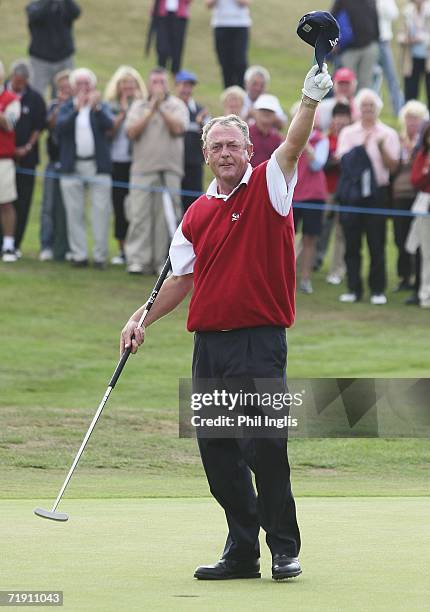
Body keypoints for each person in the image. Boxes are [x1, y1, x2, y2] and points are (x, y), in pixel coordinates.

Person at [120, 64, 333, 581]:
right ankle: (243, 550)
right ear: (206, 155)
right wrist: (140, 316)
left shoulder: (270, 186)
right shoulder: (194, 214)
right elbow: (178, 280)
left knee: (264, 446)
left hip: (260, 342)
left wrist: (308, 98)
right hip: (210, 348)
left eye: (233, 146)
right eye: (216, 147)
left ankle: (284, 546)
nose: (225, 154)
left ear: (247, 152)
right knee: (217, 455)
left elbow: (293, 146)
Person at [336, 88, 400, 304]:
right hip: (353, 194)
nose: (368, 110)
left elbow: (393, 167)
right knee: (352, 243)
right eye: (364, 106)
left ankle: (377, 290)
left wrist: (380, 148)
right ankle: (353, 289)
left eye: (372, 106)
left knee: (376, 242)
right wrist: (360, 149)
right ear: (358, 109)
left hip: (377, 194)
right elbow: (342, 162)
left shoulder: (388, 133)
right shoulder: (348, 133)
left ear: (377, 109)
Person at [124, 67, 188, 275]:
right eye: (154, 82)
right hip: (142, 170)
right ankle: (138, 260)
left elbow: (179, 129)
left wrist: (161, 109)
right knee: (140, 216)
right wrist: (151, 110)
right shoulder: (139, 106)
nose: (158, 86)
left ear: (167, 84)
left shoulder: (177, 105)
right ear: (149, 84)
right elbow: (131, 132)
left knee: (166, 219)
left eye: (161, 82)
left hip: (169, 170)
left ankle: (163, 262)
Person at [57, 68, 114, 268]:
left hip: (97, 166)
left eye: (86, 84)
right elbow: (60, 128)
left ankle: (100, 256)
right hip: (72, 167)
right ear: (73, 87)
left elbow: (110, 125)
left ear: (93, 86)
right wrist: (76, 109)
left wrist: (95, 107)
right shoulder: (66, 108)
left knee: (100, 211)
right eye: (79, 84)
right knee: (74, 212)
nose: (83, 88)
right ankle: (78, 254)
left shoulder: (100, 107)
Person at [104, 66, 147, 265]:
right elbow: (108, 133)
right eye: (125, 84)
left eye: (132, 84)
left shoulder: (142, 106)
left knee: (136, 207)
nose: (128, 87)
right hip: (116, 162)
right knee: (119, 205)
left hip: (136, 162)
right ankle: (122, 249)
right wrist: (121, 115)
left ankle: (136, 248)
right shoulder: (110, 106)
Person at [8, 60, 46, 256]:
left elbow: (39, 127)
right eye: (17, 81)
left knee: (23, 202)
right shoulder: (3, 94)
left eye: (23, 82)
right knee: (4, 202)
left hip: (27, 160)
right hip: (4, 159)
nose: (19, 85)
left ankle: (15, 244)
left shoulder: (35, 98)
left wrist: (27, 147)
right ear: (12, 76)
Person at [392, 100, 428, 294]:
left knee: (420, 239)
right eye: (408, 118)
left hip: (419, 196)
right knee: (400, 237)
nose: (411, 122)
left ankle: (419, 280)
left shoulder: (424, 144)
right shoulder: (398, 140)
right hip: (399, 194)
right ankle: (404, 276)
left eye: (415, 118)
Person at [292, 110, 329, 294]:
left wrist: (305, 145)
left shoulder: (321, 140)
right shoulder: (289, 140)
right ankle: (286, 277)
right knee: (287, 238)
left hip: (314, 195)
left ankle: (305, 279)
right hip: (293, 195)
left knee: (309, 239)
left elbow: (317, 164)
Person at [317, 102, 352, 285]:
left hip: (346, 193)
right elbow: (322, 165)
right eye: (337, 117)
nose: (340, 121)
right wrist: (335, 161)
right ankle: (306, 262)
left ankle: (337, 270)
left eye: (344, 117)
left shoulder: (352, 138)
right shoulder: (325, 139)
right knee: (317, 228)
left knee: (340, 233)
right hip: (327, 191)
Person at [39, 69, 72, 262]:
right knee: (48, 206)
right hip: (53, 163)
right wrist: (60, 106)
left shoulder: (77, 108)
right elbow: (50, 125)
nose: (65, 91)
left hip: (69, 164)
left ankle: (64, 247)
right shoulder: (53, 106)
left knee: (65, 208)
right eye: (62, 88)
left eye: (68, 88)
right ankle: (46, 245)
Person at [26, 0, 81, 98]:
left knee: (65, 94)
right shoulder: (35, 4)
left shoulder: (64, 4)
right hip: (40, 60)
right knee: (36, 94)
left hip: (63, 58)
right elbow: (36, 16)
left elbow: (76, 13)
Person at [174, 69, 209, 213]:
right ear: (176, 86)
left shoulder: (201, 110)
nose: (186, 89)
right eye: (183, 85)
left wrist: (201, 124)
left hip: (194, 166)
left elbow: (210, 136)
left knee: (194, 206)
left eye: (189, 86)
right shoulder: (170, 108)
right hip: (174, 165)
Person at [331, 0, 380, 91]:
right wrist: (334, 42)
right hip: (349, 49)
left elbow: (375, 17)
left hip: (368, 45)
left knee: (365, 84)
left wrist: (376, 39)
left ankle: (361, 105)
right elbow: (332, 17)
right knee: (348, 84)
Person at [0, 60, 21, 263]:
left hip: (3, 159)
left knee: (5, 203)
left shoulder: (11, 99)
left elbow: (10, 124)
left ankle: (8, 245)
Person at [408, 122, 430, 308]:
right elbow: (416, 181)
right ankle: (425, 295)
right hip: (425, 208)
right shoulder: (422, 156)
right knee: (427, 255)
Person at [205, 0, 251, 88]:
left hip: (240, 24)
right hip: (220, 24)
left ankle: (243, 91)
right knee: (225, 64)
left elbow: (245, 3)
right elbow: (208, 4)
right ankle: (229, 94)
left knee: (240, 63)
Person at [397, 0, 430, 108]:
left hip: (427, 58)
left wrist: (422, 38)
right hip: (411, 59)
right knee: (411, 92)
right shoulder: (406, 12)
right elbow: (399, 35)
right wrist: (407, 39)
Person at [149, 0, 192, 75]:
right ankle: (160, 76)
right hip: (162, 15)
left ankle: (175, 77)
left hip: (179, 16)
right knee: (162, 49)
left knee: (177, 50)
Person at [376, 0, 404, 116]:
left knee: (391, 77)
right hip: (370, 42)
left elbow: (394, 14)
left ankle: (399, 110)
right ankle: (373, 109)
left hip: (384, 41)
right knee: (373, 78)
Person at [242, 65, 287, 129]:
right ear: (246, 83)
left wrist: (262, 115)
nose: (258, 88)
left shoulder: (271, 100)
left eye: (262, 85)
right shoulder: (239, 98)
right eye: (254, 84)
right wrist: (248, 115)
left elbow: (282, 125)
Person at [316, 67, 358, 133]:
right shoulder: (323, 106)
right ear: (334, 85)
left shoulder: (360, 105)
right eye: (341, 84)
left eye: (347, 84)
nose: (344, 87)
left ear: (354, 85)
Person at [248, 94, 283, 168]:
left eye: (270, 111)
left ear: (275, 116)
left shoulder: (277, 139)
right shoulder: (246, 134)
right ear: (255, 113)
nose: (266, 113)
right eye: (262, 110)